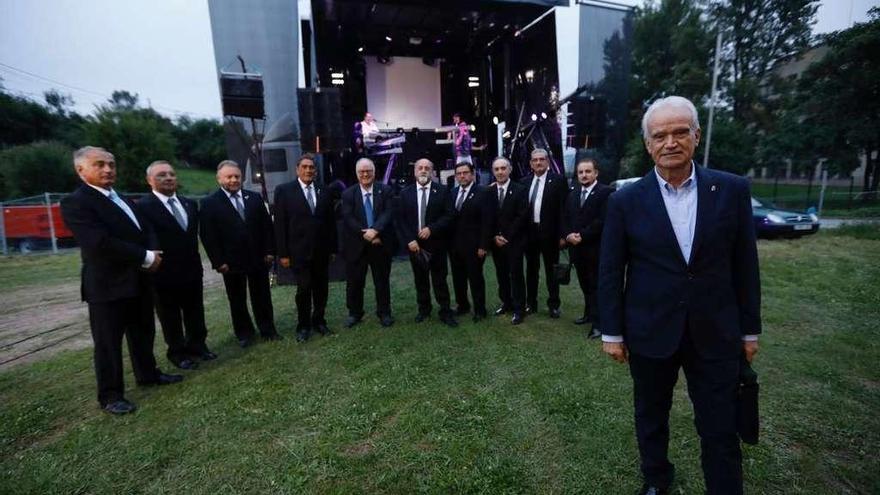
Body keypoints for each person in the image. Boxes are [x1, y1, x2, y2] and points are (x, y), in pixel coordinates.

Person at [598, 96, 761, 495]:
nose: (670, 142)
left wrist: (750, 330)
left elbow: (745, 265)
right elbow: (609, 268)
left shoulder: (732, 190)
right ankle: (656, 479)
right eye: (660, 135)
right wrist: (612, 333)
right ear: (648, 145)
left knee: (720, 423)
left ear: (696, 135)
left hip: (716, 330)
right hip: (651, 330)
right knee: (651, 415)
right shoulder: (624, 200)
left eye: (679, 132)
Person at [60, 146, 182, 415]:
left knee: (142, 332)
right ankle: (111, 394)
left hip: (138, 280)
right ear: (81, 170)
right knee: (108, 343)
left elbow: (145, 227)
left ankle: (148, 374)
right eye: (99, 165)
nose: (107, 170)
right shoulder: (76, 202)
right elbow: (98, 243)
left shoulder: (122, 197)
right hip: (107, 285)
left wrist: (153, 252)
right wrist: (145, 256)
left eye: (111, 164)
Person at [135, 161, 217, 370]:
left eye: (172, 174)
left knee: (195, 311)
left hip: (191, 269)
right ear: (149, 180)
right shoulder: (143, 207)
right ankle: (178, 352)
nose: (169, 178)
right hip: (163, 273)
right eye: (162, 175)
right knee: (170, 315)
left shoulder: (189, 203)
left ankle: (198, 345)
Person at [200, 160, 280, 348]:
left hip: (258, 257)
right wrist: (218, 261)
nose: (234, 180)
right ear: (219, 178)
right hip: (231, 262)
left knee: (262, 296)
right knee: (237, 299)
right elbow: (208, 235)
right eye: (229, 177)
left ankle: (268, 329)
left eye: (237, 176)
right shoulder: (210, 203)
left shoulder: (254, 198)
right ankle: (245, 333)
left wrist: (270, 250)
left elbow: (266, 226)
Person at [274, 154, 339, 342]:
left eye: (312, 167)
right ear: (297, 169)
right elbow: (280, 224)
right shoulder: (284, 191)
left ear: (316, 171)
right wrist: (283, 254)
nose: (308, 170)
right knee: (303, 290)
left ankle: (319, 321)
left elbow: (330, 223)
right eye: (305, 167)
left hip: (321, 252)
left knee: (321, 289)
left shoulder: (324, 190)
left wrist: (333, 249)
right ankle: (303, 326)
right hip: (298, 253)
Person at [393, 158, 458, 327]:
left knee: (440, 279)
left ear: (432, 172)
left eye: (427, 168)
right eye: (420, 168)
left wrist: (432, 228)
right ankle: (424, 309)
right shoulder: (405, 193)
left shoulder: (443, 191)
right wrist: (409, 240)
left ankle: (445, 311)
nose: (423, 170)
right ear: (415, 171)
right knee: (420, 280)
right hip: (415, 246)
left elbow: (450, 215)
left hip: (436, 244)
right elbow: (401, 220)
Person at [340, 158, 396, 329]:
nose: (365, 174)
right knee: (355, 282)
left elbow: (388, 213)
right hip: (357, 245)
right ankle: (355, 313)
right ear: (357, 174)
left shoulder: (385, 190)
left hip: (380, 243)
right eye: (361, 171)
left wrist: (376, 230)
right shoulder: (348, 194)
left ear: (374, 172)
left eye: (368, 171)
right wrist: (367, 234)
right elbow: (349, 218)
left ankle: (384, 312)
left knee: (381, 281)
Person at [561, 158, 612, 338]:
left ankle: (599, 324)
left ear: (596, 173)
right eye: (581, 172)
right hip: (576, 249)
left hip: (595, 249)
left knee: (596, 286)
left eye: (588, 171)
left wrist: (582, 236)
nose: (584, 175)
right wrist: (567, 235)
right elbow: (565, 217)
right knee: (584, 284)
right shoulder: (573, 192)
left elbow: (602, 221)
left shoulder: (606, 192)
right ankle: (589, 315)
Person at [520, 148, 568, 318]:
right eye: (535, 160)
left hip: (550, 233)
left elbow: (563, 209)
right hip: (529, 233)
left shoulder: (558, 181)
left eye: (541, 159)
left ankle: (554, 305)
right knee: (531, 270)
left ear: (547, 161)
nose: (538, 162)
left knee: (551, 270)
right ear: (531, 163)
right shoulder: (524, 182)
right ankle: (531, 304)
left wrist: (563, 235)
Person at [486, 157, 529, 325]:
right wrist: (494, 236)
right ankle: (506, 303)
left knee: (516, 275)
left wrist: (507, 236)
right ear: (493, 171)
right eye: (496, 169)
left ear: (510, 170)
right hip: (496, 242)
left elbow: (522, 215)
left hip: (514, 241)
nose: (500, 172)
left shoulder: (520, 189)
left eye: (503, 168)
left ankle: (519, 309)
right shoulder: (488, 191)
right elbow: (488, 217)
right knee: (501, 273)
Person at [449, 161, 491, 322]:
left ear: (472, 174)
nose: (462, 176)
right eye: (459, 173)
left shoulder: (482, 192)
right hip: (454, 245)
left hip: (474, 246)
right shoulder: (452, 193)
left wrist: (483, 245)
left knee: (475, 278)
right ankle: (462, 305)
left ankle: (480, 309)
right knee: (458, 278)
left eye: (465, 172)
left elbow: (487, 222)